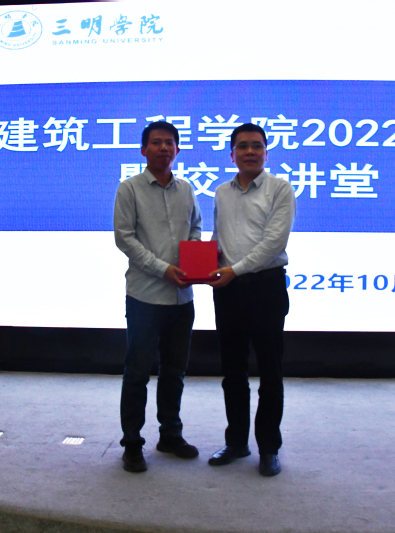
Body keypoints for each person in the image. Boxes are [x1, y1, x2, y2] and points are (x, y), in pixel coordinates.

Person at [207, 123, 296, 477]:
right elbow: (218, 238)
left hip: (265, 287)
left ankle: (269, 448)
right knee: (232, 372)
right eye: (242, 146)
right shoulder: (221, 192)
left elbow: (274, 242)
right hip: (228, 290)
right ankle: (236, 442)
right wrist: (205, 264)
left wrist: (234, 269)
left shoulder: (280, 189)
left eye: (256, 146)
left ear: (266, 153)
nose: (249, 152)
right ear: (232, 154)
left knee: (270, 372)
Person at [113, 121, 202, 473]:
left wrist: (193, 260)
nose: (164, 148)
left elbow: (195, 227)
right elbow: (124, 238)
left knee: (174, 372)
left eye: (170, 143)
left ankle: (170, 435)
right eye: (156, 142)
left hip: (182, 298)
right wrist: (163, 269)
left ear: (177, 150)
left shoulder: (187, 189)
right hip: (145, 297)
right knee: (137, 373)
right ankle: (132, 443)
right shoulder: (129, 189)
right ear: (143, 150)